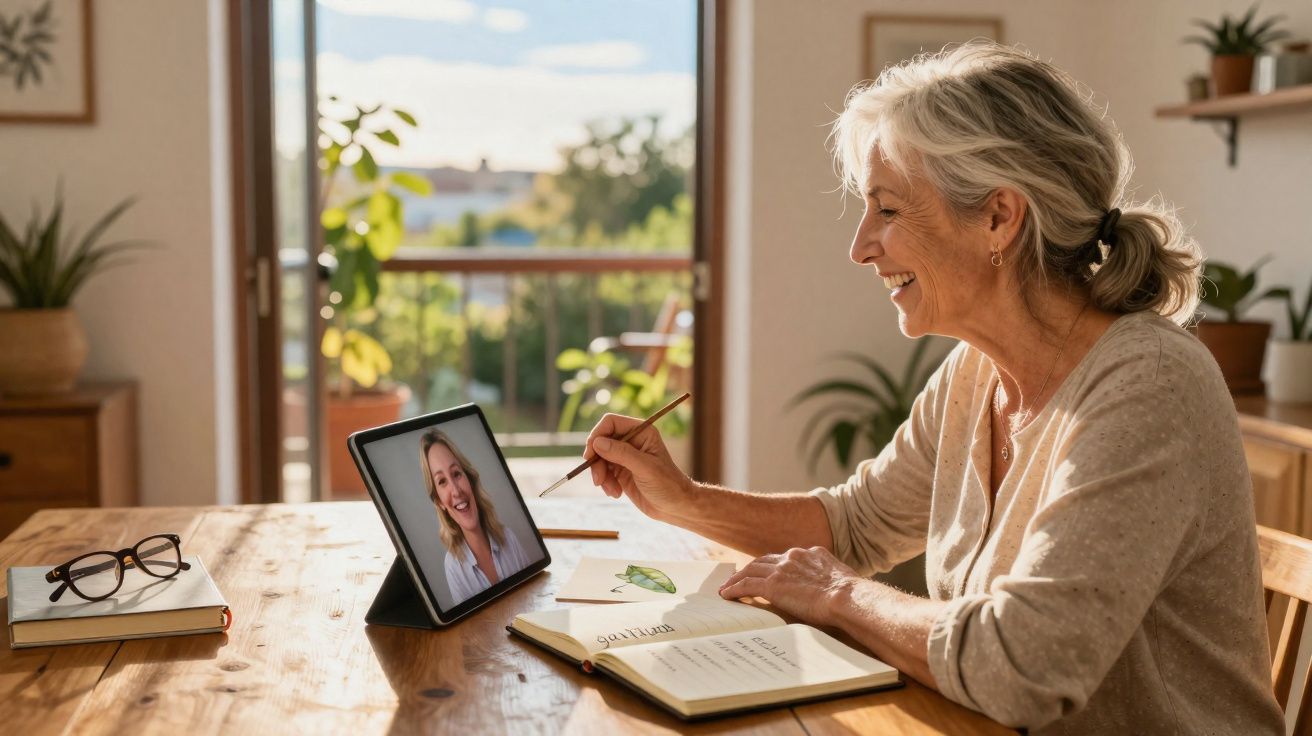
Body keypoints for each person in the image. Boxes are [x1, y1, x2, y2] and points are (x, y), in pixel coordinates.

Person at [583, 43, 1283, 734]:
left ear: (999, 218)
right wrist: (681, 499)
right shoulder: (975, 374)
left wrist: (838, 595)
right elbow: (855, 526)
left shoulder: (1150, 386)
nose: (861, 246)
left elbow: (1024, 664)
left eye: (887, 210)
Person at [420, 428, 530, 602]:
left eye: (456, 474)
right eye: (442, 481)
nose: (456, 491)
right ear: (439, 502)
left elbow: (534, 595)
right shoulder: (453, 568)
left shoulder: (508, 538)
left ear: (470, 479)